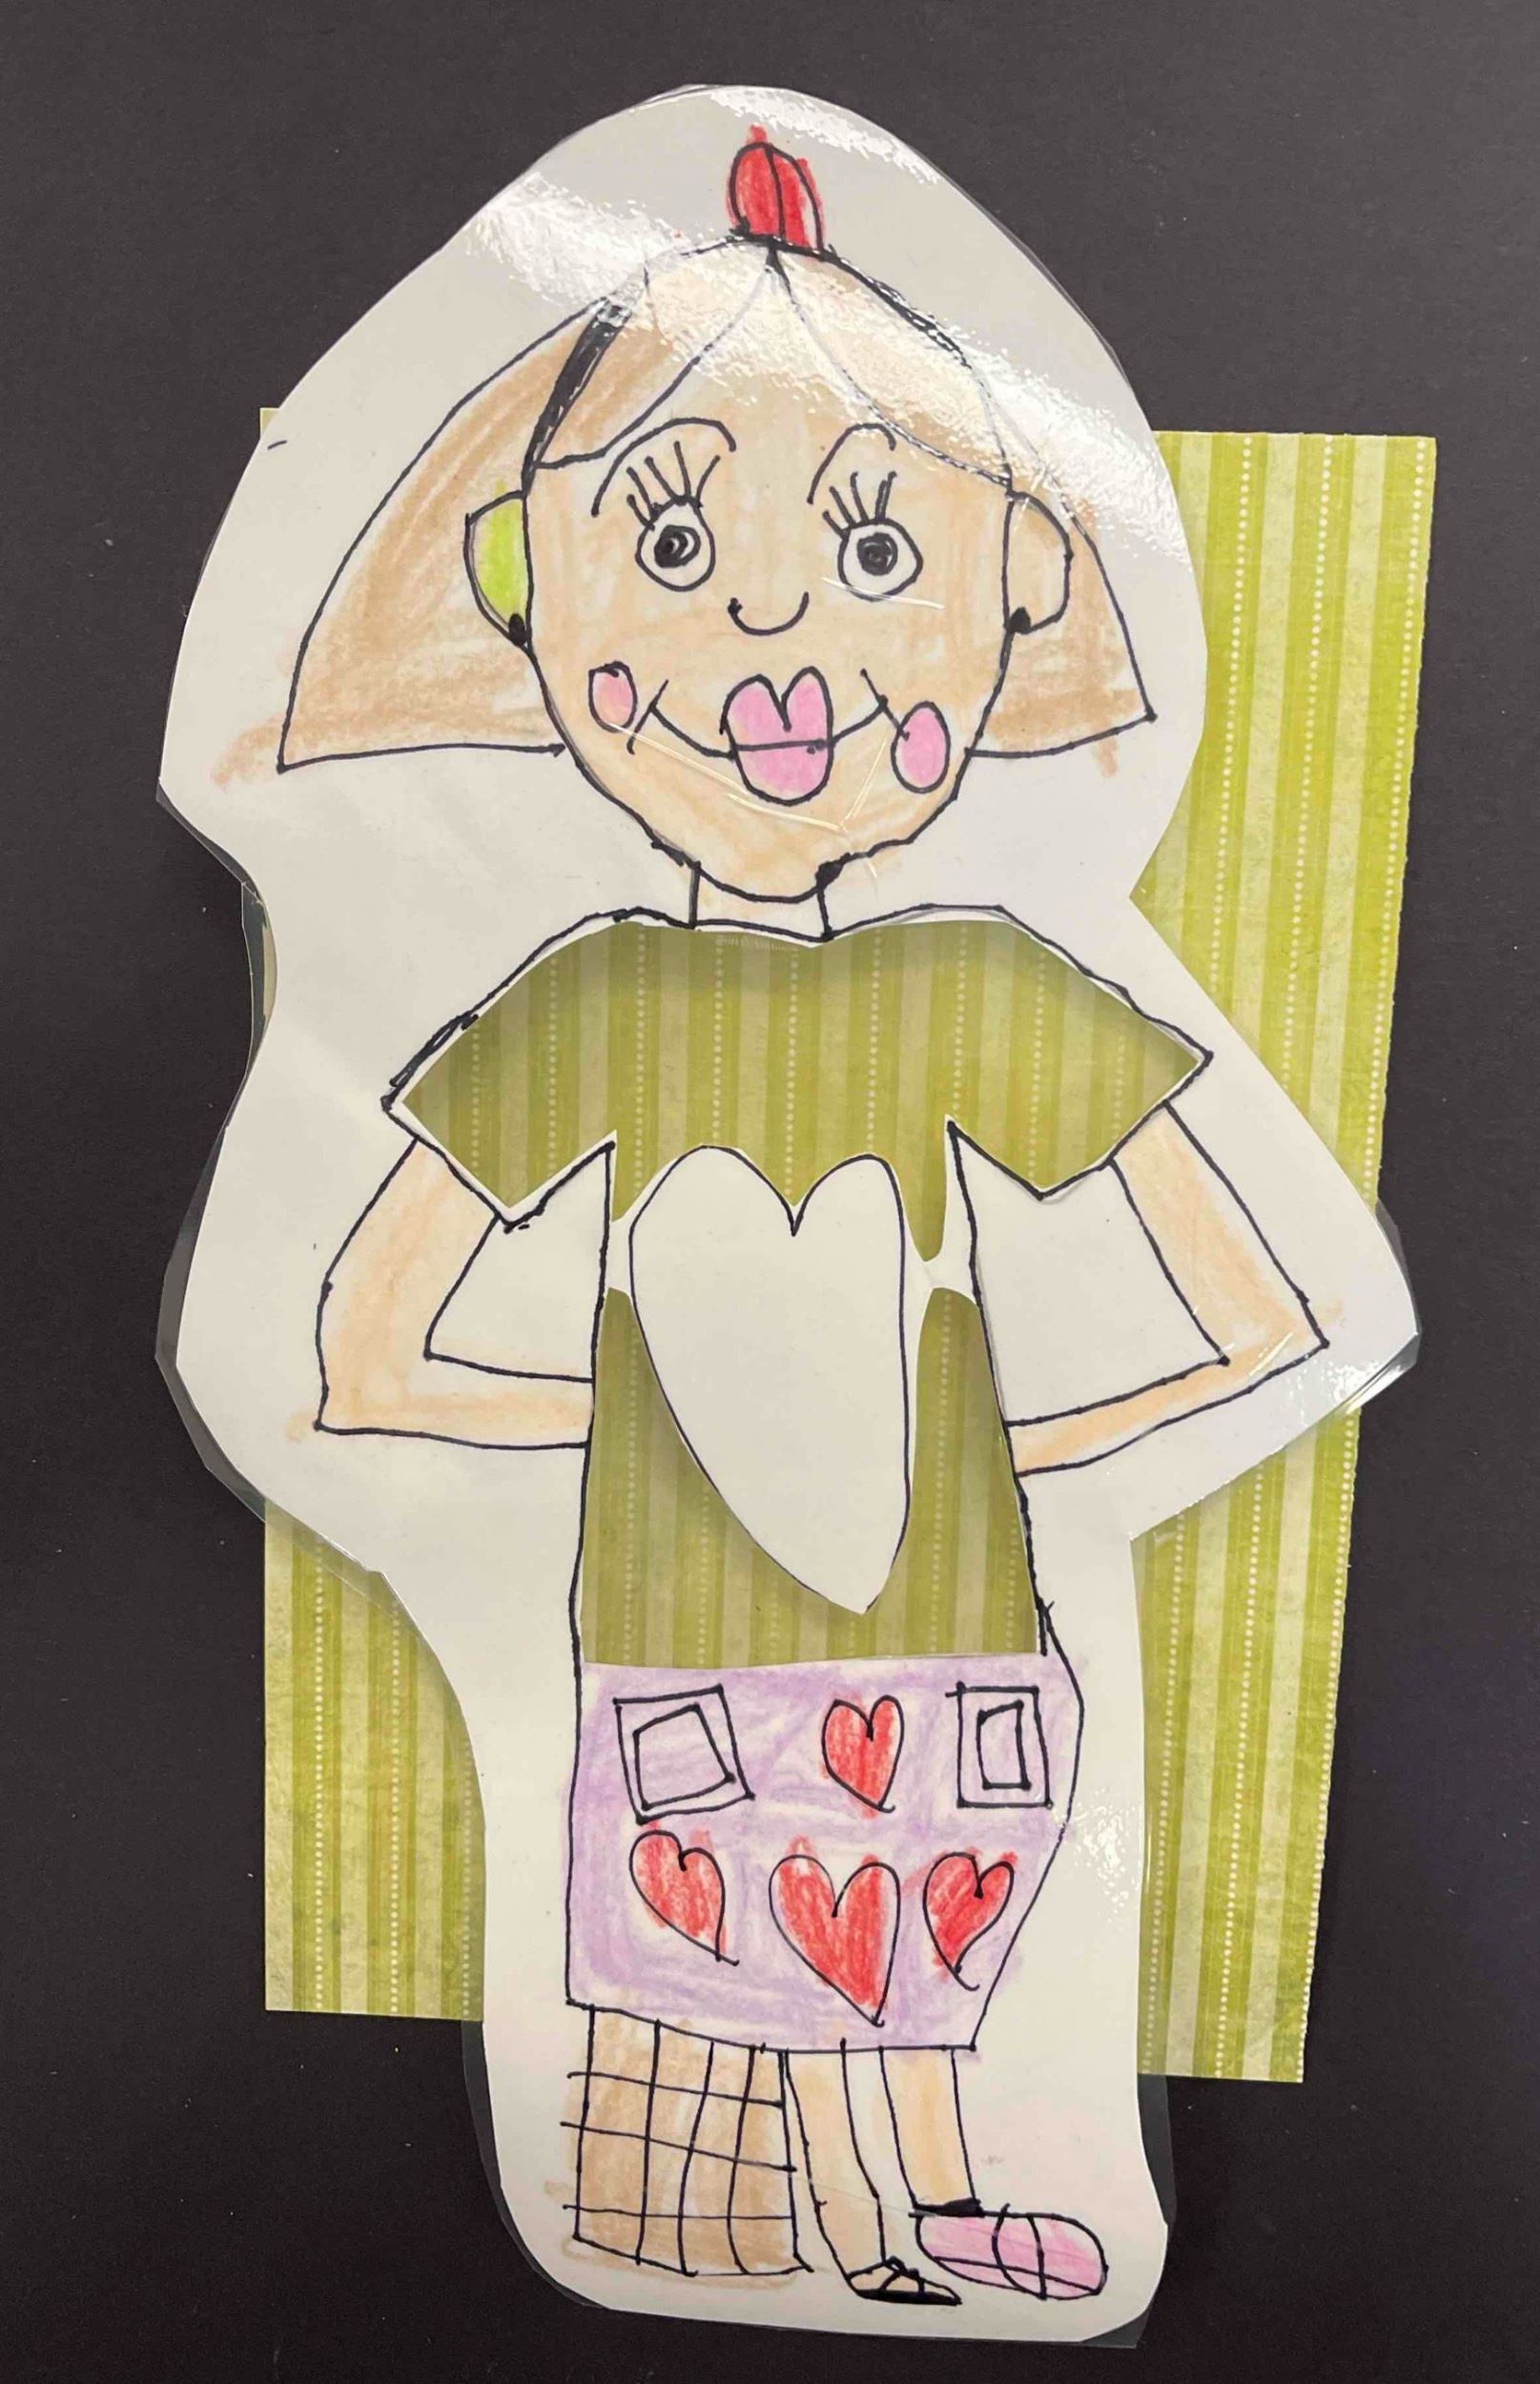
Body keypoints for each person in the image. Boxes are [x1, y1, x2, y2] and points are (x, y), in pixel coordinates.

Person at [241, 129, 1333, 2307]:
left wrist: (1050, 1447)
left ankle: (932, 2191)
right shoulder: (586, 1003)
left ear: (1014, 591)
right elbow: (356, 1347)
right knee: (770, 1938)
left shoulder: (990, 981)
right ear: (531, 595)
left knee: (922, 1919)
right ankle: (869, 2218)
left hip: (965, 1624)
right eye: (668, 539)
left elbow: (1262, 1311)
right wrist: (647, 1408)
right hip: (681, 1642)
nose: (762, 620)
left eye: (873, 545)